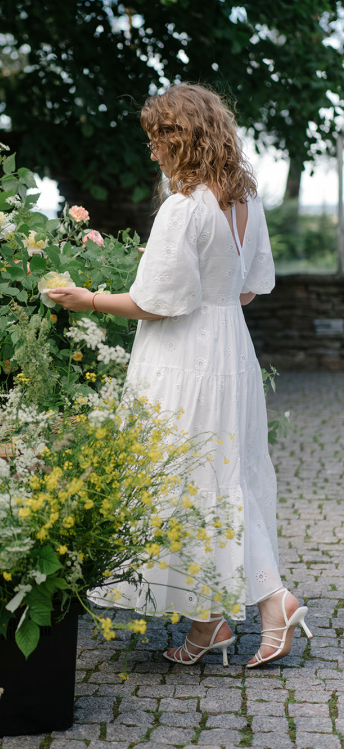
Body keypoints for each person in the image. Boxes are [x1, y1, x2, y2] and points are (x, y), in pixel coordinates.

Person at [46, 83, 312, 668]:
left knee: (193, 481)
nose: (152, 153)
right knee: (217, 478)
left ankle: (274, 601)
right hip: (230, 351)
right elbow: (247, 288)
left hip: (184, 357)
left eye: (157, 140)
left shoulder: (185, 206)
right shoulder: (243, 199)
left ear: (179, 139)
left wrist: (87, 299)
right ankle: (209, 623)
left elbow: (155, 301)